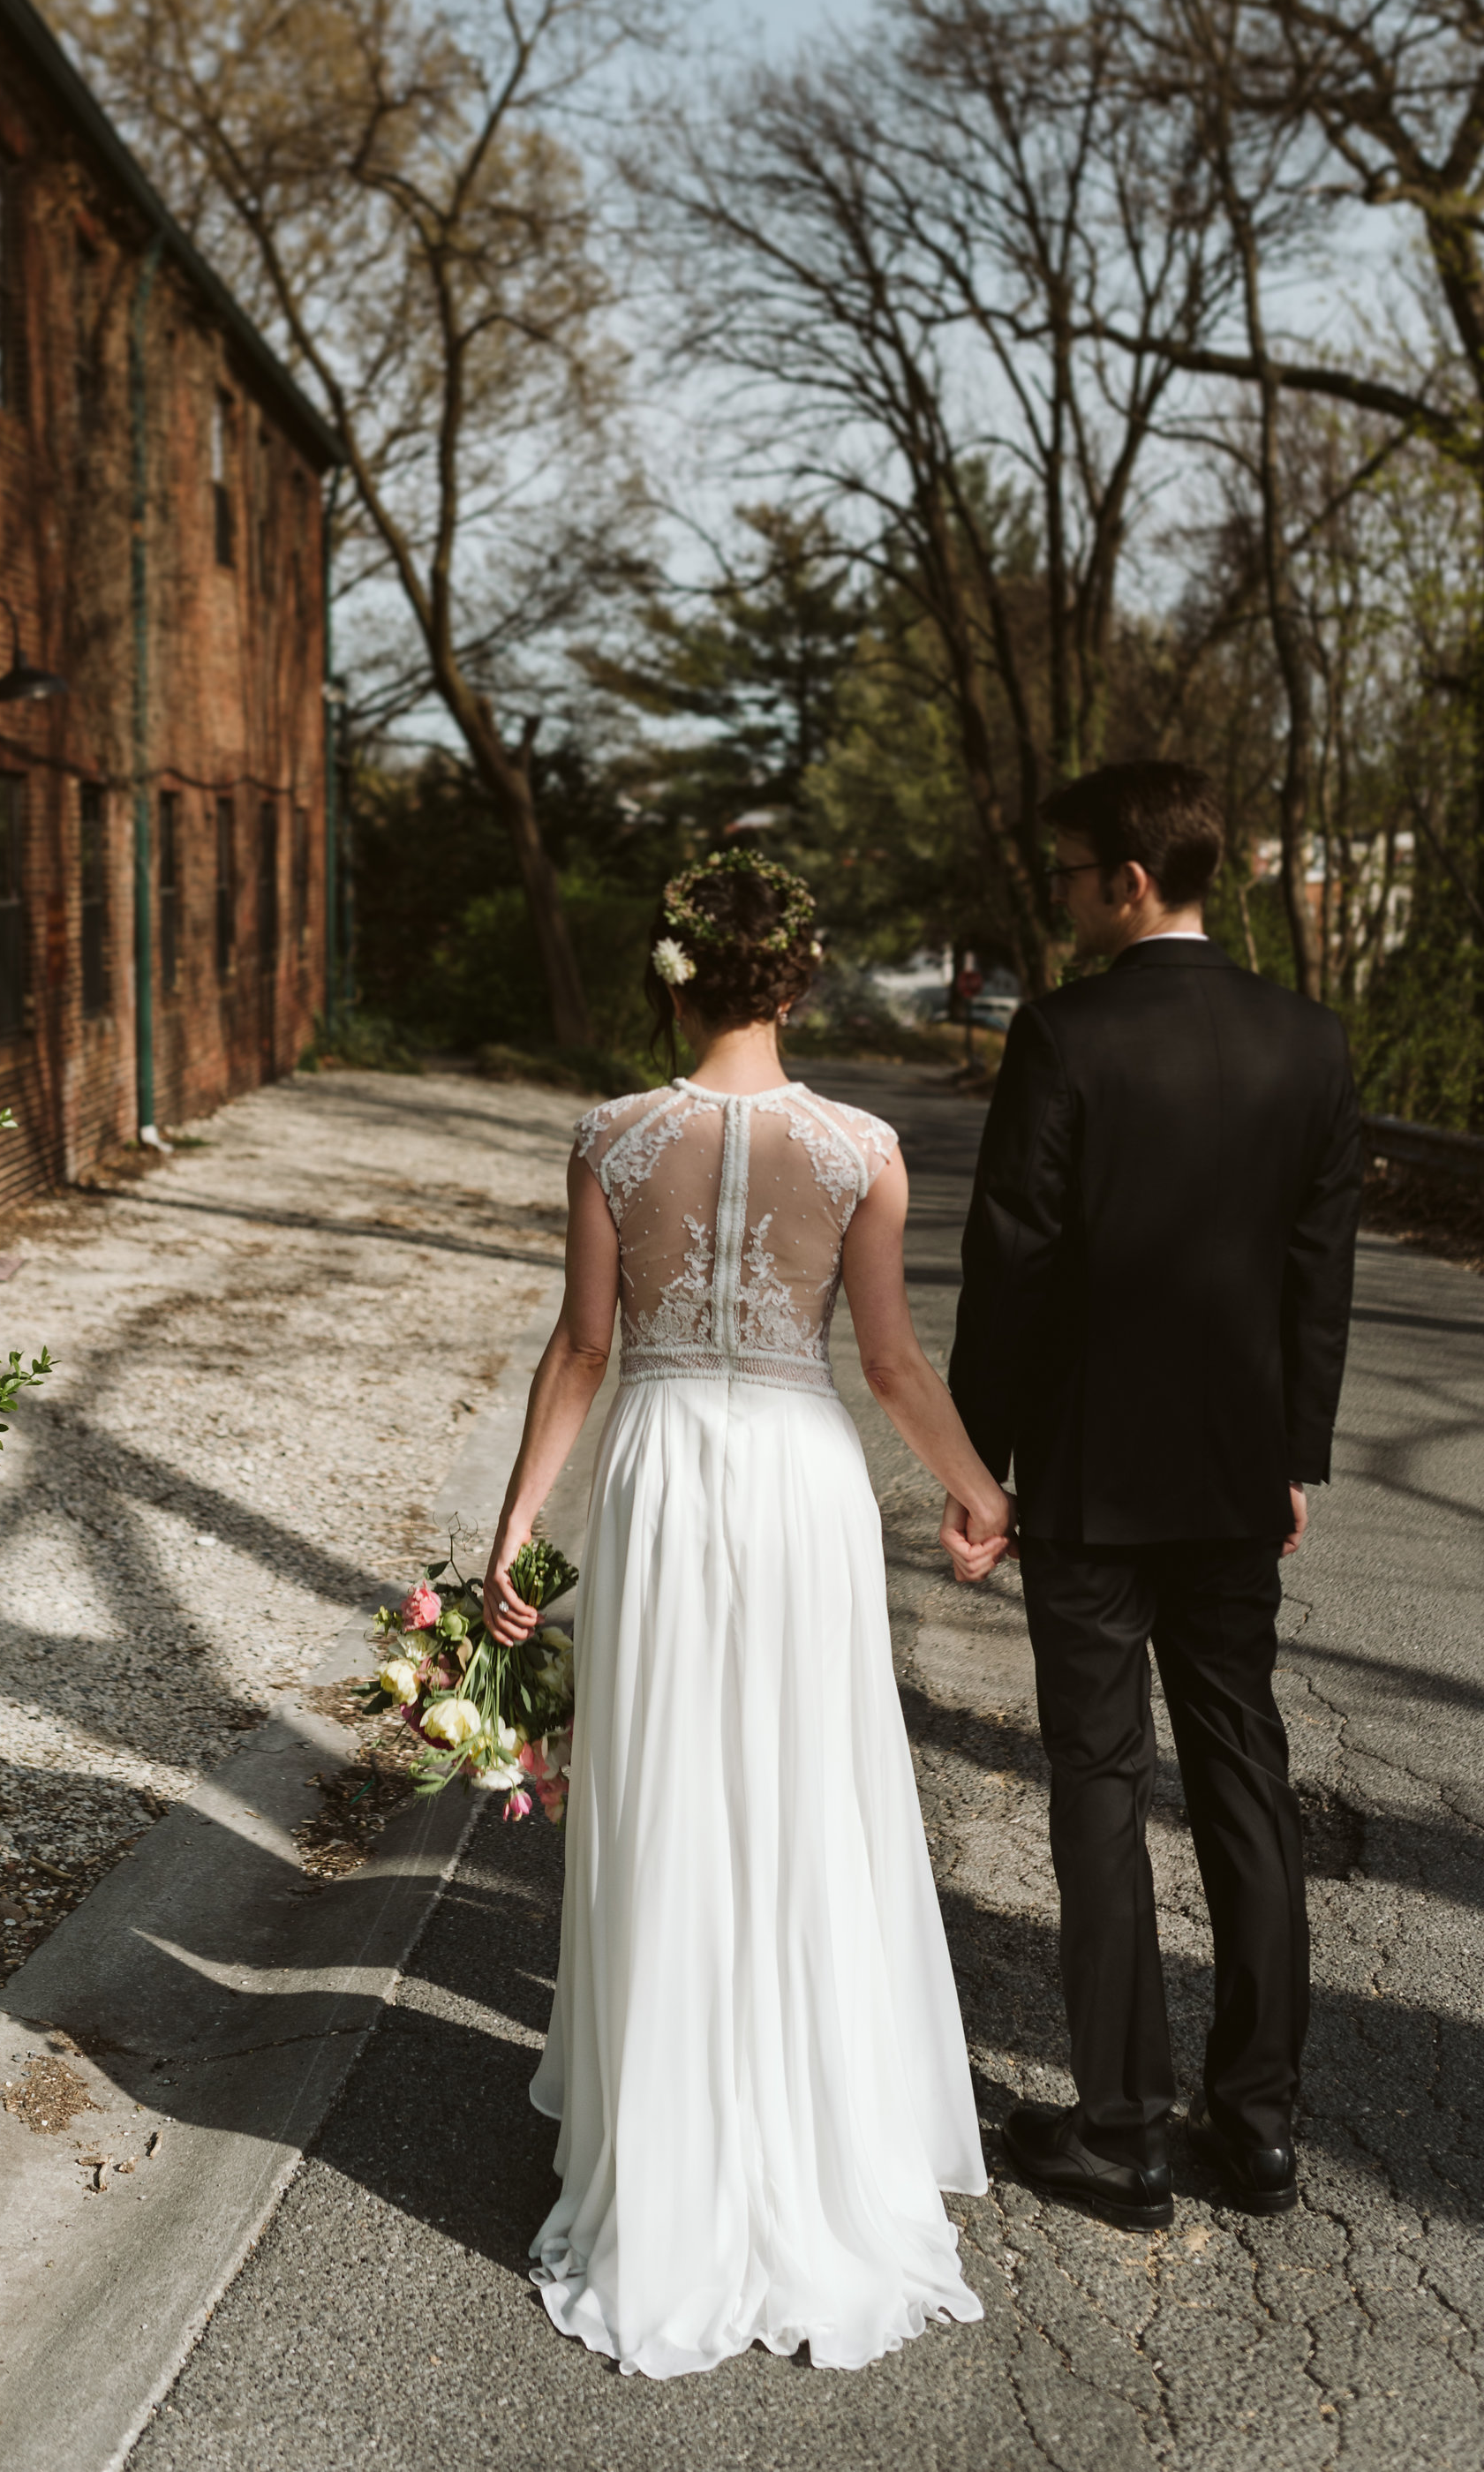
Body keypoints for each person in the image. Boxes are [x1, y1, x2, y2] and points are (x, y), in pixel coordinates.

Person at [480, 848, 1011, 2380]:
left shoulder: (611, 1136)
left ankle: (670, 2155)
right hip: (795, 1484)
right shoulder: (860, 1145)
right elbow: (897, 1368)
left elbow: (583, 1349)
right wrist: (976, 1494)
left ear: (674, 972)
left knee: (663, 1797)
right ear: (799, 978)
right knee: (802, 1793)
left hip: (656, 1471)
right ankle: (815, 2131)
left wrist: (516, 1524)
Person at [945, 762, 1363, 2230]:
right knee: (1245, 1778)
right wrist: (1294, 1455)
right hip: (1236, 1477)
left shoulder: (1063, 1038)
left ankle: (1117, 2130)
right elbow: (1320, 1273)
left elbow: (1014, 1268)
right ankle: (1257, 2127)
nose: (1061, 896)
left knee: (1104, 1789)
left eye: (1069, 872)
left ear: (1130, 879)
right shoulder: (1308, 1041)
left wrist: (974, 1462)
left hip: (1088, 1482)